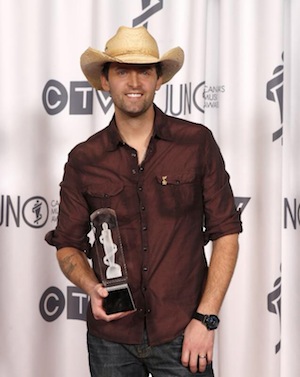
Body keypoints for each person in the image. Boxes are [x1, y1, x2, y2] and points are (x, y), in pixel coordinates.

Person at [45, 26, 242, 376]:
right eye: (122, 71)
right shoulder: (84, 159)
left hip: (184, 332)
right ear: (105, 81)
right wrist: (92, 287)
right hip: (111, 341)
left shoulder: (196, 143)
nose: (134, 82)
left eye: (145, 71)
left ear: (159, 79)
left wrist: (206, 319)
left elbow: (226, 232)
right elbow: (68, 246)